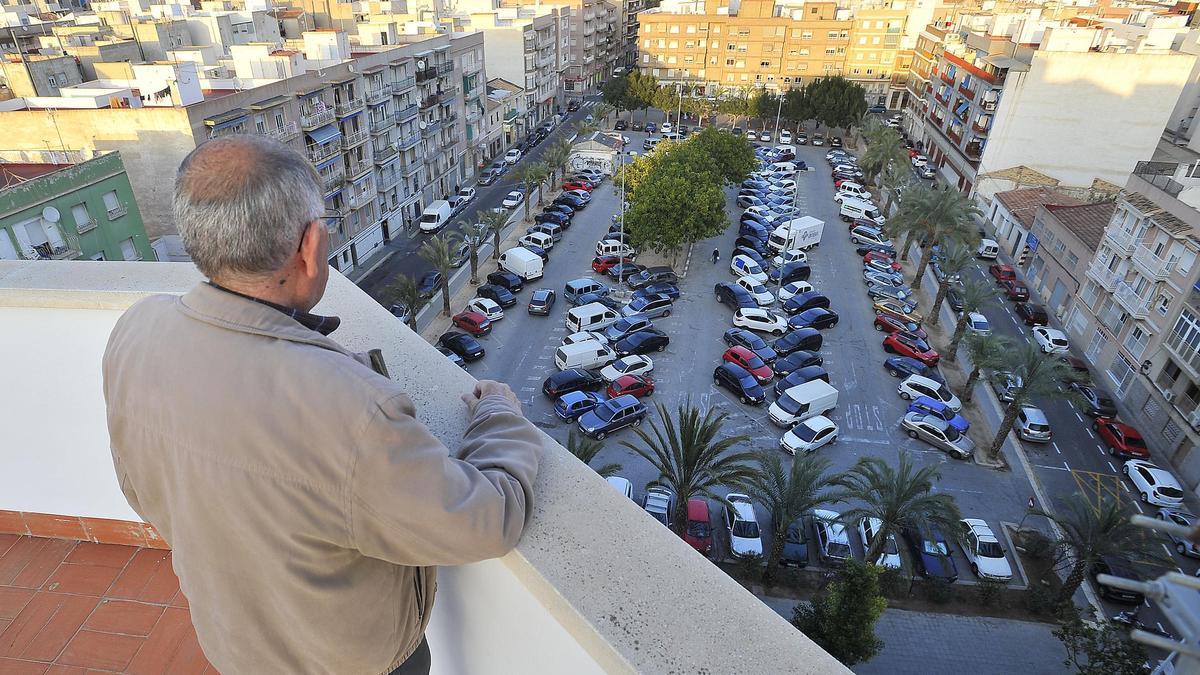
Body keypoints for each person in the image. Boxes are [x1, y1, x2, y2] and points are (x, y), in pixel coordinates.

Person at [102, 136, 541, 675]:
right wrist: (500, 414)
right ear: (310, 246)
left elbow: (140, 490)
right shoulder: (352, 411)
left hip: (231, 643)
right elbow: (487, 519)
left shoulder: (137, 329)